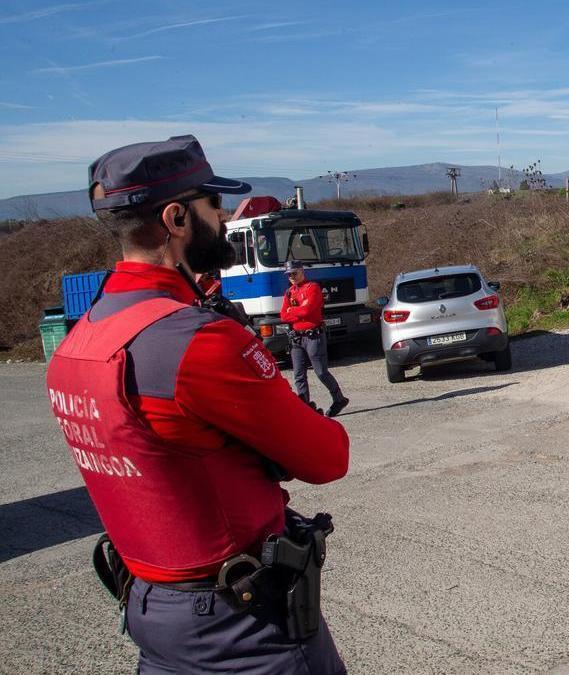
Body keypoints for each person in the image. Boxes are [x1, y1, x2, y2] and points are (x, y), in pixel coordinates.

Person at [46, 135, 349, 673]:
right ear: (177, 218)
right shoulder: (198, 341)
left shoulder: (78, 344)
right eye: (213, 204)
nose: (226, 217)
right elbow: (328, 457)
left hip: (150, 609)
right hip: (241, 628)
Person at [281, 261, 350, 417]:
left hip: (313, 335)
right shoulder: (289, 292)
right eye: (289, 274)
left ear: (302, 271)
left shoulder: (312, 288)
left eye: (294, 273)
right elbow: (283, 315)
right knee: (298, 374)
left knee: (321, 372)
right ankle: (305, 407)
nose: (292, 277)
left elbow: (307, 310)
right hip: (297, 338)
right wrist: (295, 311)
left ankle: (339, 398)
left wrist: (293, 311)